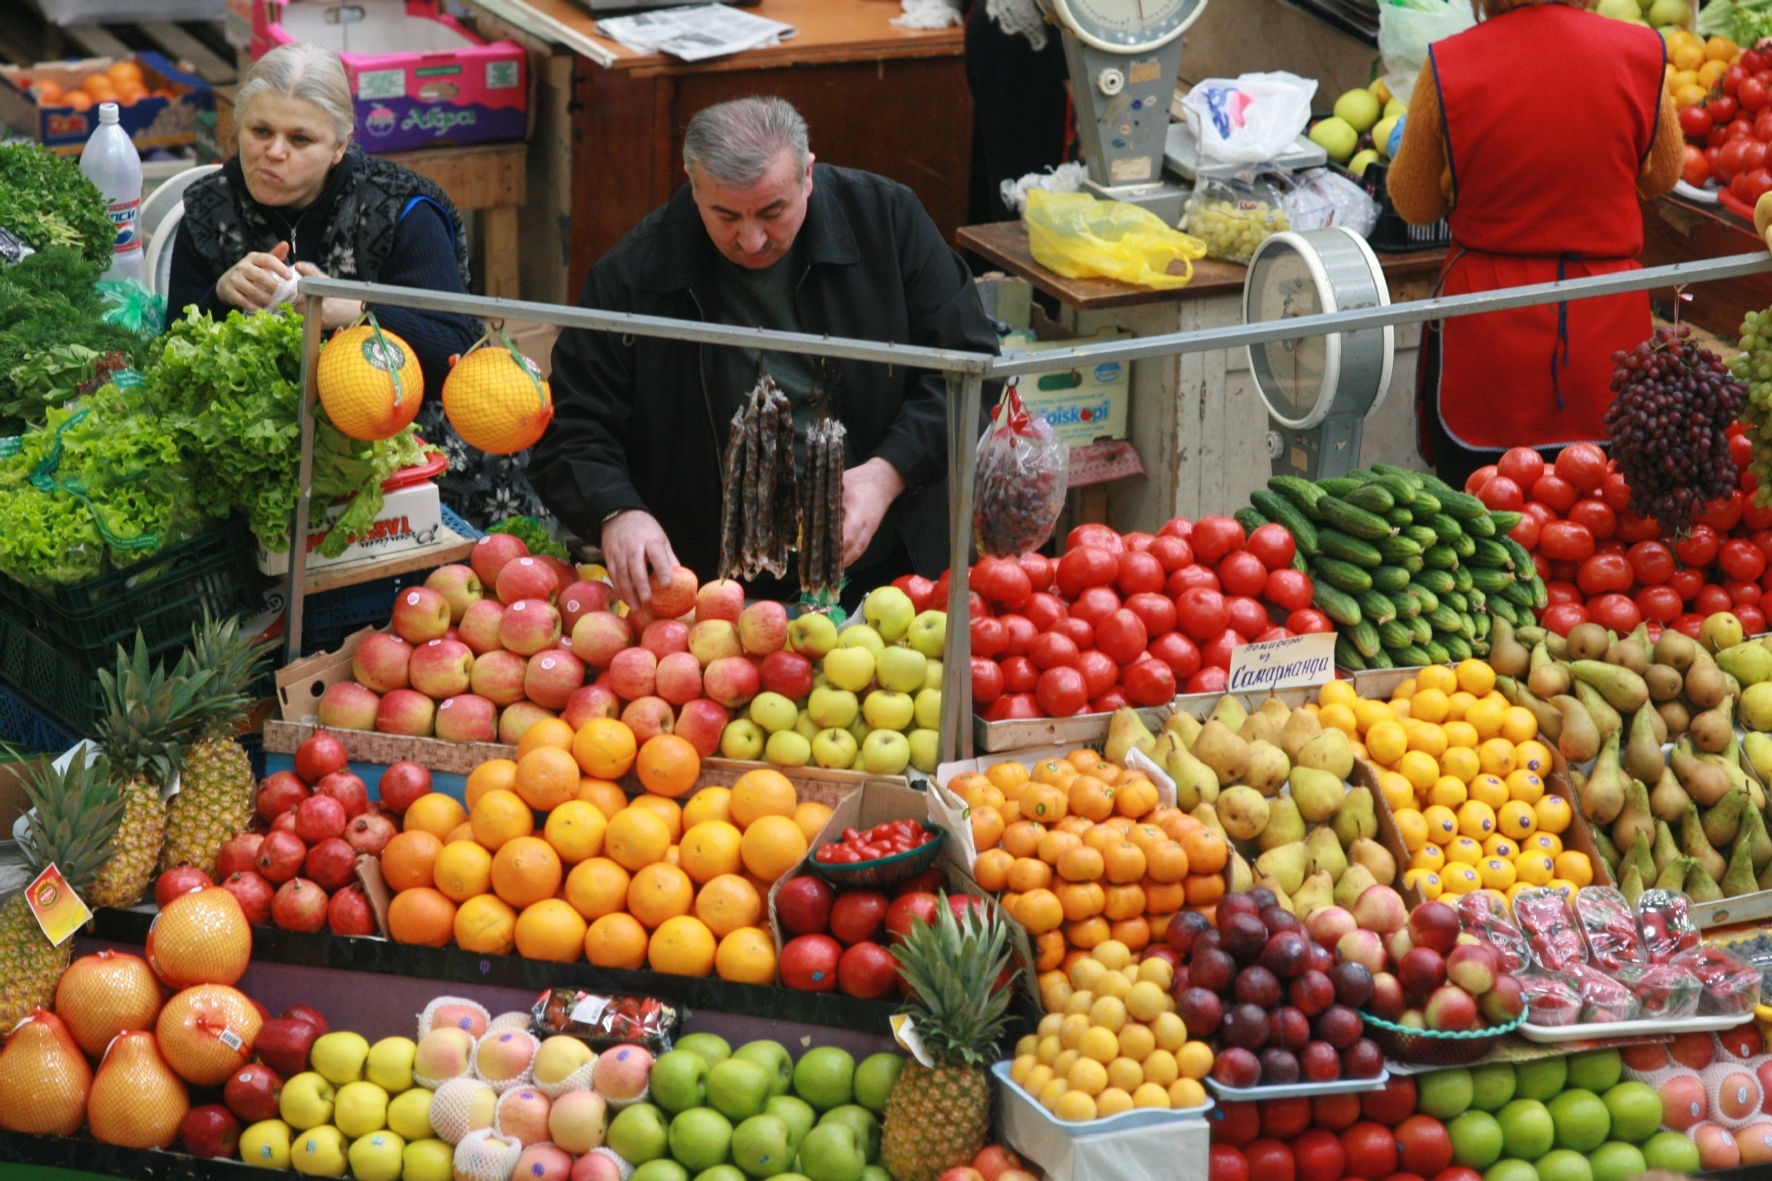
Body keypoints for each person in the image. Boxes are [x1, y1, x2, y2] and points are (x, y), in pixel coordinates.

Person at [531, 96, 1000, 611]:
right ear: (692, 183)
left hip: (894, 567)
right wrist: (617, 512)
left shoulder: (886, 220)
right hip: (716, 591)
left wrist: (888, 471)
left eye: (773, 212)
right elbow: (576, 429)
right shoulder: (632, 277)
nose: (752, 241)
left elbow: (969, 366)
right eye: (725, 216)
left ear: (808, 176)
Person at [168, 41, 550, 529]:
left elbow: (459, 354)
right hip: (265, 462)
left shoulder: (401, 210)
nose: (273, 152)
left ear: (339, 148)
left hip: (408, 455)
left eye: (301, 139)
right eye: (260, 131)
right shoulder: (208, 209)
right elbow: (171, 357)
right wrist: (219, 298)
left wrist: (359, 312)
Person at [1387, 0, 1683, 489]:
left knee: (1482, 532)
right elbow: (1664, 176)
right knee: (1605, 529)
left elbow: (1415, 204)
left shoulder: (1448, 63)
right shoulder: (1642, 52)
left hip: (1488, 334)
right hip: (1608, 336)